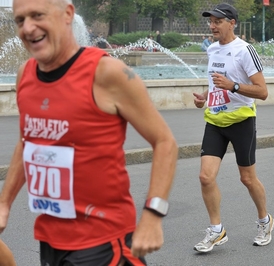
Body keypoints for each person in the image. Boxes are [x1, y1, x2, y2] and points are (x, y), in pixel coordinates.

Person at [0, 0, 178, 265]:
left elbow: (165, 142)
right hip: (50, 238)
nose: (28, 28)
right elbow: (28, 141)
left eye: (38, 15)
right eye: (20, 20)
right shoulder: (26, 74)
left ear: (68, 14)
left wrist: (153, 215)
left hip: (104, 242)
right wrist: (5, 203)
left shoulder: (107, 73)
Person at [192, 3, 274, 253]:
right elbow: (216, 82)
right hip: (215, 121)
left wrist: (233, 86)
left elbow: (263, 92)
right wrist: (205, 96)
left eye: (217, 21)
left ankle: (265, 221)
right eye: (211, 21)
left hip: (241, 121)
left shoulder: (245, 51)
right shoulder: (213, 50)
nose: (212, 25)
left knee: (247, 178)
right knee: (206, 177)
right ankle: (216, 231)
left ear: (232, 23)